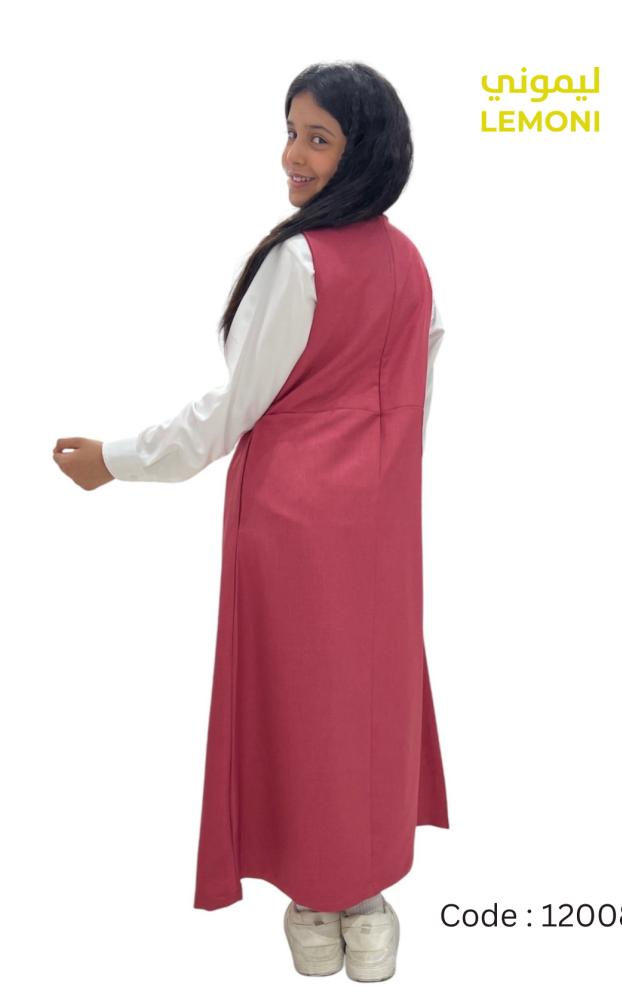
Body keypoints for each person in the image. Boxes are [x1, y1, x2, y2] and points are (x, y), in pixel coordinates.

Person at [53, 61, 450, 983]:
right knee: (370, 699)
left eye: (319, 138)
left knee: (300, 702)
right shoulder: (413, 264)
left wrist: (115, 459)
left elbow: (232, 413)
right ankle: (365, 905)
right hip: (384, 524)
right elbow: (417, 399)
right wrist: (386, 487)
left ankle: (317, 901)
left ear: (365, 150)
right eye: (291, 132)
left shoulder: (298, 261)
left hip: (293, 522)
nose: (292, 156)